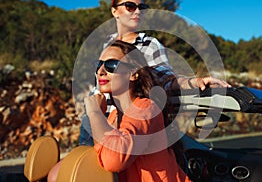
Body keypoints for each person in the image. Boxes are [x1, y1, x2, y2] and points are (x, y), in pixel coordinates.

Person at [79, 0, 231, 146]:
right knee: (75, 167)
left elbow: (166, 78)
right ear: (114, 11)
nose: (137, 12)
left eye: (141, 8)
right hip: (93, 120)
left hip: (123, 125)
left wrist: (193, 82)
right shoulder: (106, 43)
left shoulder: (149, 45)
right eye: (130, 6)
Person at [48, 40, 191, 182]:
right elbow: (99, 159)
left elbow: (113, 160)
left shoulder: (146, 108)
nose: (101, 71)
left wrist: (95, 113)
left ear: (134, 74)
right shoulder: (114, 116)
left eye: (111, 65)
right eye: (98, 65)